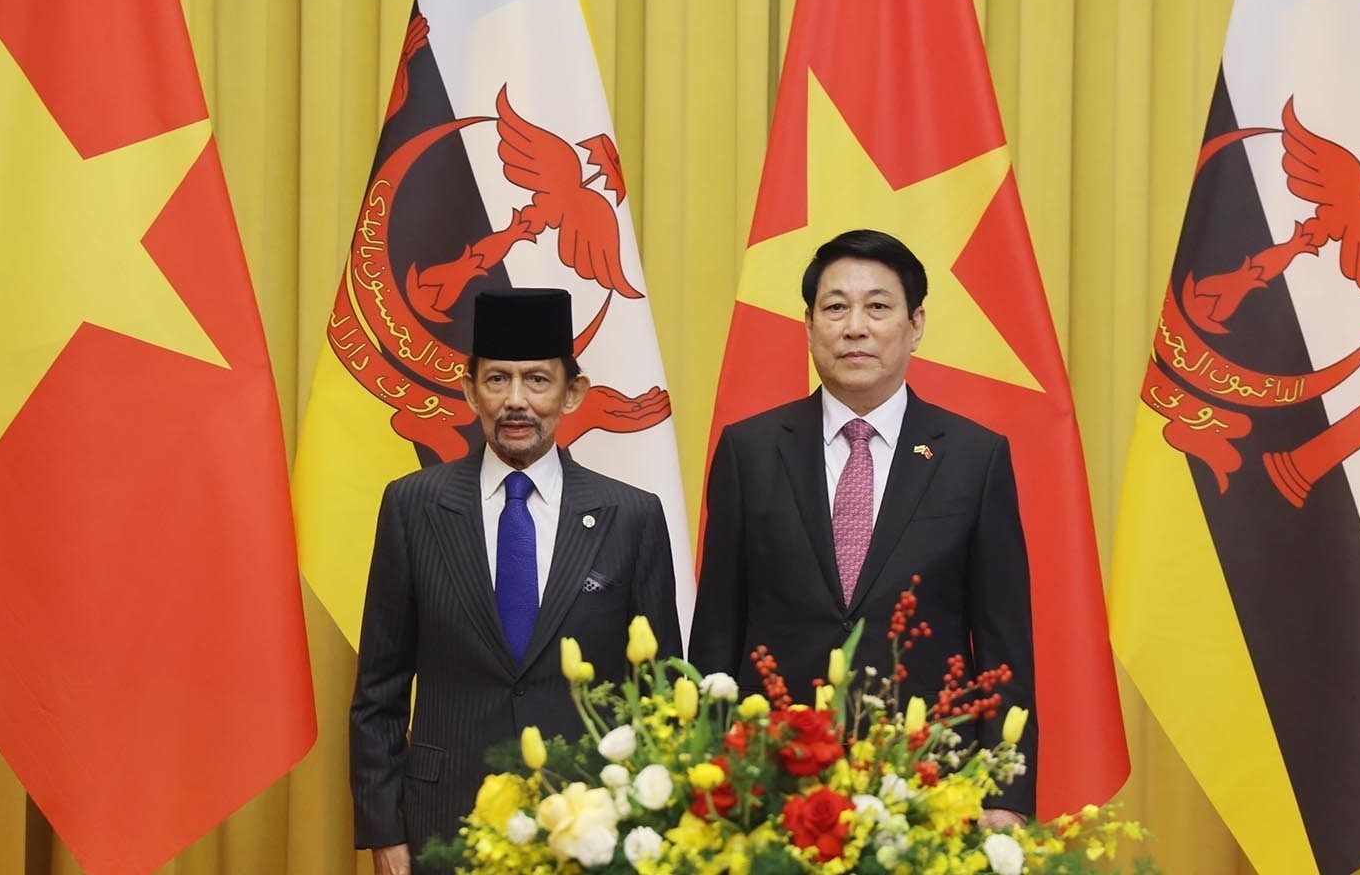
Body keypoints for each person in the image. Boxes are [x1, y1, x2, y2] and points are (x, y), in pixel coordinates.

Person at [689, 229, 1036, 823]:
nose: (855, 328)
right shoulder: (749, 451)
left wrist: (1005, 795)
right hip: (770, 778)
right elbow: (718, 630)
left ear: (915, 324)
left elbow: (1004, 642)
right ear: (808, 326)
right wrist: (705, 775)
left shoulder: (974, 457)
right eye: (835, 308)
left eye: (878, 307)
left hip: (928, 781)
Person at [350, 288, 681, 875]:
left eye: (537, 380)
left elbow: (659, 693)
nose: (516, 401)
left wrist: (652, 829)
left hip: (589, 827)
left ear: (572, 393)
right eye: (497, 379)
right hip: (442, 823)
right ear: (469, 388)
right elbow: (380, 690)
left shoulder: (630, 516)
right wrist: (385, 832)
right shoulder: (413, 506)